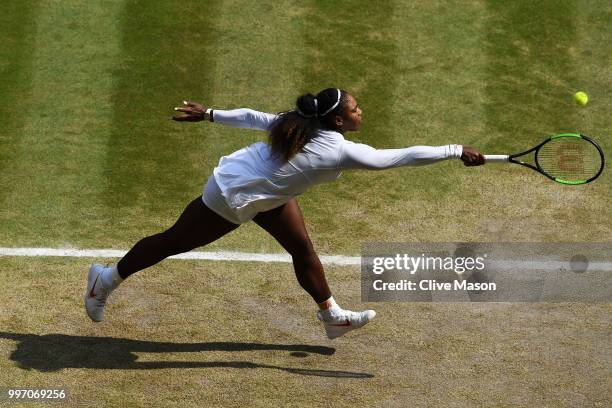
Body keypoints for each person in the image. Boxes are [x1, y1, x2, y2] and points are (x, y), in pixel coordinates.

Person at [85, 88, 485, 339]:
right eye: (356, 109)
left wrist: (209, 114)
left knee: (302, 247)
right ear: (339, 120)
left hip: (270, 193)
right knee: (172, 242)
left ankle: (331, 317)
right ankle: (105, 279)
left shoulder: (299, 123)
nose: (362, 112)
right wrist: (453, 150)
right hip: (234, 192)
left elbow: (254, 117)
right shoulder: (338, 149)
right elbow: (393, 159)